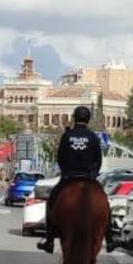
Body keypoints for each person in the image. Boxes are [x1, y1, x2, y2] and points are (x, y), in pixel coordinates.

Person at [37, 106, 115, 254]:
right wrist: (92, 175)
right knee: (105, 202)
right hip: (88, 178)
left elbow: (60, 158)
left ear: (75, 118)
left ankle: (49, 239)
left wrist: (66, 172)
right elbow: (98, 160)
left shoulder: (67, 136)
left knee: (51, 201)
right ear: (88, 119)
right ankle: (110, 237)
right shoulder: (93, 137)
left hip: (69, 178)